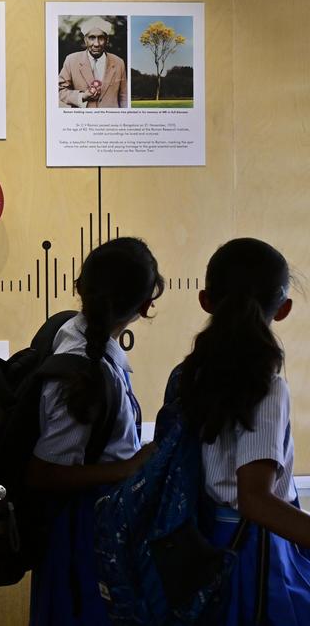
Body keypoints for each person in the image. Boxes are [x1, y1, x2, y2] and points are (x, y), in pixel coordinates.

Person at [157, 238, 310, 624]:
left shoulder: (189, 373)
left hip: (203, 536)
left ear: (205, 300)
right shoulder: (266, 385)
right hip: (251, 548)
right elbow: (255, 499)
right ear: (285, 309)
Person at [27, 237, 164, 626]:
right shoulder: (84, 370)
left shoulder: (73, 335)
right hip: (81, 532)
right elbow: (42, 472)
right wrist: (126, 468)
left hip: (85, 525)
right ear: (144, 307)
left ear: (78, 287)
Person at [58, 20, 128, 108]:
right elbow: (60, 90)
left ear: (107, 40)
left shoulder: (119, 62)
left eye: (101, 38)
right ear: (85, 40)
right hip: (83, 120)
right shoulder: (71, 60)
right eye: (92, 38)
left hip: (110, 120)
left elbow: (124, 97)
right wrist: (82, 96)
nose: (96, 44)